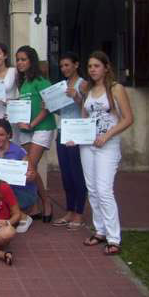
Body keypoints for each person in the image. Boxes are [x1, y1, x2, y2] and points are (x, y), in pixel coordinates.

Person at [79, 51, 133, 255]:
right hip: (88, 145)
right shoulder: (88, 90)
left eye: (96, 66)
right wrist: (75, 136)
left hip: (107, 145)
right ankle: (99, 230)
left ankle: (114, 237)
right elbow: (84, 117)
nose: (93, 69)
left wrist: (108, 135)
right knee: (92, 189)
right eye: (90, 66)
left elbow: (128, 119)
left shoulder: (115, 88)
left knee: (104, 190)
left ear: (106, 67)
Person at [15, 45, 57, 222]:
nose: (20, 63)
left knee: (30, 166)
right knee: (29, 167)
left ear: (31, 61)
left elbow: (49, 106)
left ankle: (45, 203)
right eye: (17, 60)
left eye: (23, 59)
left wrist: (32, 123)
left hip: (41, 127)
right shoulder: (23, 82)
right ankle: (38, 205)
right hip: (25, 129)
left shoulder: (41, 80)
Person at [52, 52, 88, 231]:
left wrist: (77, 97)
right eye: (62, 66)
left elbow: (89, 108)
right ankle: (69, 210)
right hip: (62, 130)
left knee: (76, 173)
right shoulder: (62, 86)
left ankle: (79, 213)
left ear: (76, 65)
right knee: (65, 173)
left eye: (67, 65)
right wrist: (50, 106)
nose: (64, 69)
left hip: (77, 132)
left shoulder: (83, 84)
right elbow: (61, 111)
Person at [0, 119, 39, 233]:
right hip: (1, 190)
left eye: (1, 135)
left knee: (1, 191)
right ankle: (13, 217)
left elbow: (33, 175)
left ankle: (23, 217)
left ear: (9, 135)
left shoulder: (19, 151)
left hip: (22, 192)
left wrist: (29, 175)